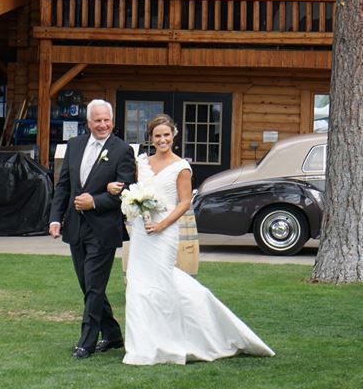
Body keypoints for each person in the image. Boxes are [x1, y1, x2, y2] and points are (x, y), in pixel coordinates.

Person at [108, 114, 274, 366]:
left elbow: (185, 202)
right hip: (142, 231)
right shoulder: (142, 162)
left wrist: (162, 224)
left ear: (173, 136)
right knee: (138, 285)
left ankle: (186, 335)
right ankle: (142, 346)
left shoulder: (181, 167)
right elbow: (132, 189)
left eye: (166, 135)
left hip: (165, 230)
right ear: (151, 138)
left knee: (162, 283)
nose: (162, 140)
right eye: (157, 136)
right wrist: (120, 193)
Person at [49, 99, 136, 359]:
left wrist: (95, 201)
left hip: (104, 229)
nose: (103, 125)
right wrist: (55, 218)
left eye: (107, 120)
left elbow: (128, 192)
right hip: (75, 227)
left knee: (95, 286)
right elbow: (64, 186)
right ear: (88, 122)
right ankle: (112, 334)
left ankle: (86, 342)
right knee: (87, 284)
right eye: (98, 120)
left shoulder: (122, 150)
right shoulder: (74, 145)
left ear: (112, 121)